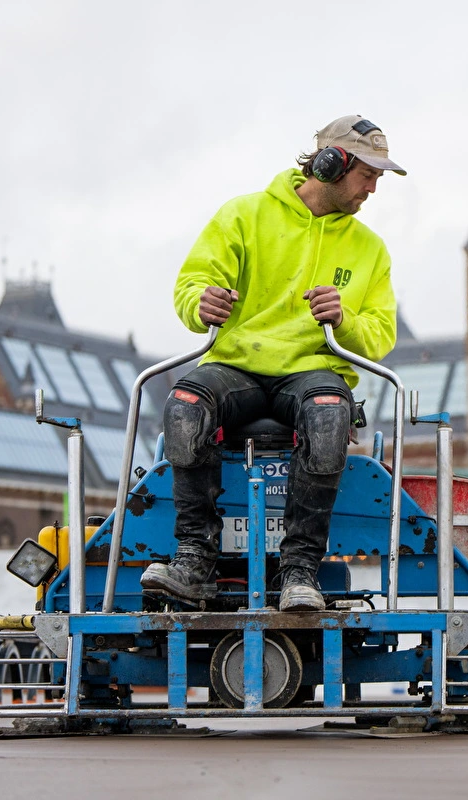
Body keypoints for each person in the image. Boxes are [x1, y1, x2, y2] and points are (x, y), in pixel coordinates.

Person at [141, 115, 405, 611]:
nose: (374, 187)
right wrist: (201, 303)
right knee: (184, 403)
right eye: (368, 173)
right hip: (235, 368)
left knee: (329, 411)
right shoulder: (243, 216)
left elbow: (380, 336)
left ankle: (300, 572)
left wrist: (344, 320)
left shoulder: (371, 250)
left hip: (312, 372)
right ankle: (194, 560)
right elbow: (190, 285)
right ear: (332, 163)